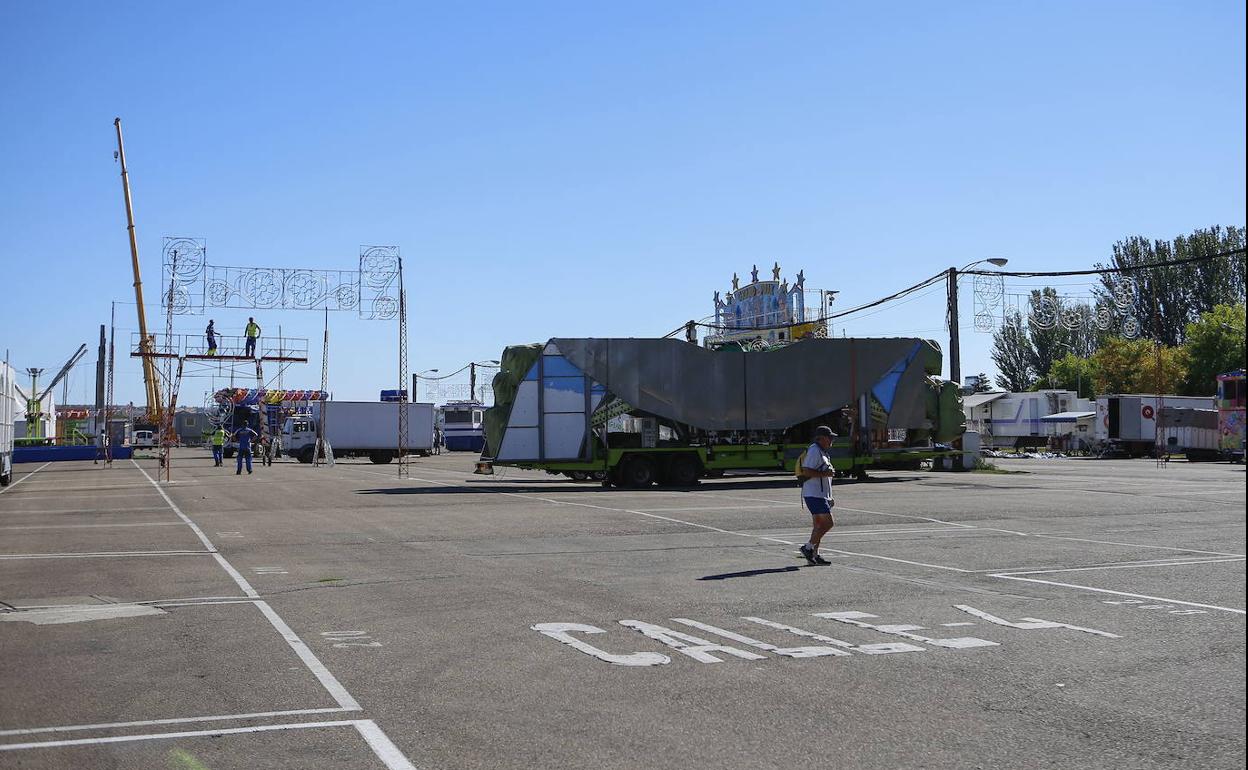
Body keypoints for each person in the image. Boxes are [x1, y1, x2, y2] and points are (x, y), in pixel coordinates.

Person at [797, 425, 838, 565]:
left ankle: (814, 555)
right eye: (830, 437)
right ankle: (808, 548)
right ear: (821, 438)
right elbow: (807, 471)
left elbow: (826, 477)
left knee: (819, 525)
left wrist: (829, 496)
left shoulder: (823, 452)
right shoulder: (815, 451)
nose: (832, 439)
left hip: (821, 495)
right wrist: (825, 473)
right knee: (828, 523)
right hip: (814, 494)